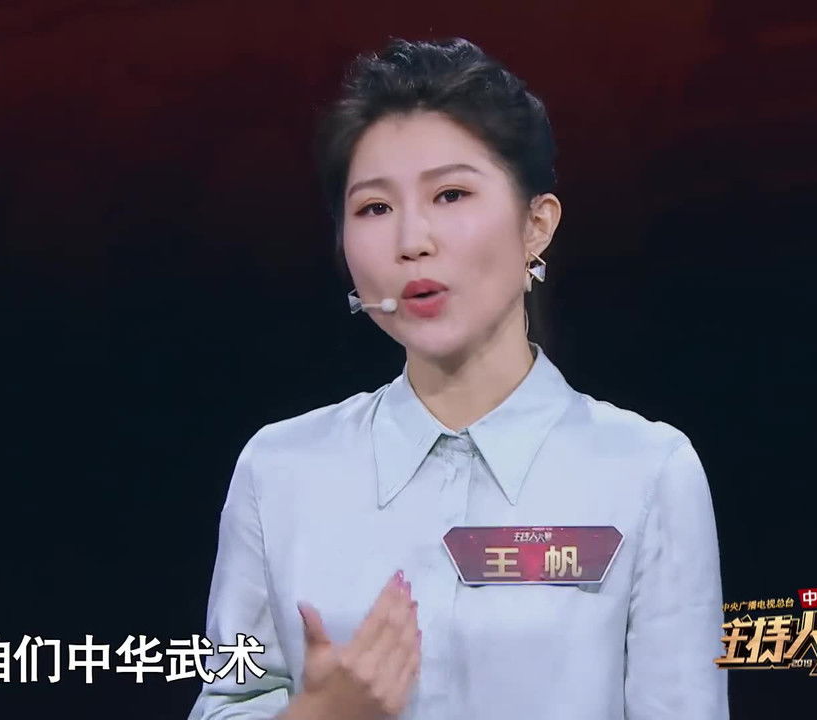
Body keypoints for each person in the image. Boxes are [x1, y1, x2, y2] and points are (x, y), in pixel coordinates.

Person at [188, 37, 728, 720]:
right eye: (374, 208)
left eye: (451, 194)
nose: (411, 241)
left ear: (536, 225)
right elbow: (226, 700)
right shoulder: (279, 470)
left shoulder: (647, 471)